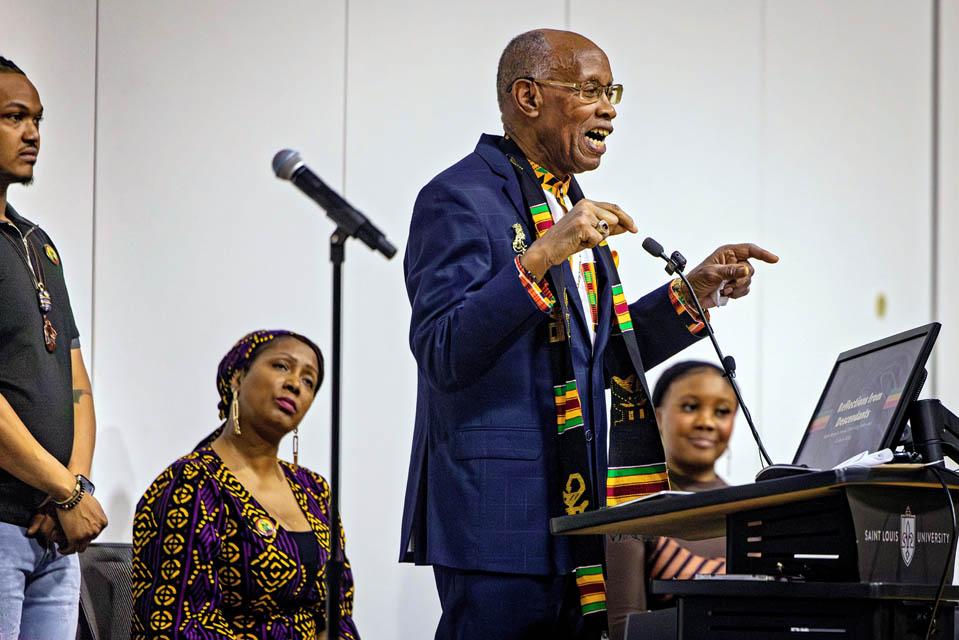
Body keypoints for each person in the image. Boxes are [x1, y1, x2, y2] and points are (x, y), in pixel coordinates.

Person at [400, 28, 778, 639]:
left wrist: (695, 294)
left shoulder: (567, 205)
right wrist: (542, 255)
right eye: (590, 90)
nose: (610, 108)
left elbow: (600, 360)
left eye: (613, 92)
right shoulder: (458, 198)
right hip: (499, 519)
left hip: (585, 513)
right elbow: (443, 351)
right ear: (528, 97)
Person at [131, 330, 359, 640]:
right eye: (282, 366)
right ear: (237, 378)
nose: (295, 384)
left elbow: (338, 612)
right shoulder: (192, 484)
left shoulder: (314, 490)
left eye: (309, 381)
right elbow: (179, 625)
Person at [0, 55, 108, 640]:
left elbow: (76, 380)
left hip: (53, 529)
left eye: (38, 118)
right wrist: (65, 489)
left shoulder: (38, 244)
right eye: (14, 117)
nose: (33, 133)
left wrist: (76, 488)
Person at [606, 360, 736, 639]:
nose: (706, 422)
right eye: (690, 407)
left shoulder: (751, 508)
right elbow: (624, 629)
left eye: (722, 411)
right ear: (658, 416)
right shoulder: (633, 509)